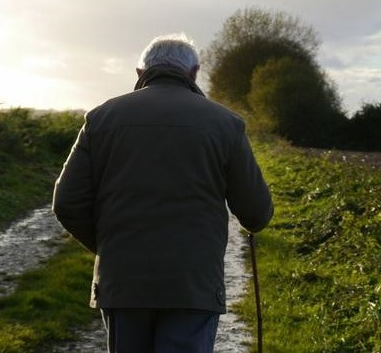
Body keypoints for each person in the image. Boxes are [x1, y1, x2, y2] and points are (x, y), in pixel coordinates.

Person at [52, 34, 273, 353]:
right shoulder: (226, 124)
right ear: (194, 73)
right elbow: (256, 213)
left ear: (139, 73)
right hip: (192, 284)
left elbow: (66, 203)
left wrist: (110, 246)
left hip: (124, 282)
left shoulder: (100, 118)